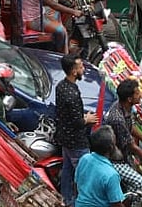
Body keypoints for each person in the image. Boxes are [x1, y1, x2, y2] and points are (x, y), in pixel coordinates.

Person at [104, 78, 142, 196]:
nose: (141, 95)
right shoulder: (117, 118)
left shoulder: (124, 107)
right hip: (115, 160)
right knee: (140, 183)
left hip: (124, 154)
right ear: (129, 99)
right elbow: (132, 146)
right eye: (137, 93)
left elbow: (131, 127)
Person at [56, 54, 98, 207]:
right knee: (85, 175)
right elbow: (76, 122)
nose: (83, 69)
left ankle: (67, 200)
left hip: (65, 138)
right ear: (74, 71)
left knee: (67, 171)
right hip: (76, 141)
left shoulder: (61, 85)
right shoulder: (71, 94)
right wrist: (87, 119)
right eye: (81, 67)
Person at [74, 126, 126, 207]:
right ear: (111, 147)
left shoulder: (85, 158)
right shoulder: (111, 175)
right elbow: (116, 204)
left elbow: (76, 184)